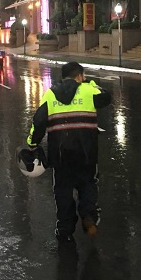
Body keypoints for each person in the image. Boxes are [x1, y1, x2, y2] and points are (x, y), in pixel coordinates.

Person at [26, 62, 112, 243]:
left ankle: (65, 228)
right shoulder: (88, 91)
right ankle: (88, 215)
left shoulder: (50, 94)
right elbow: (106, 97)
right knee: (88, 184)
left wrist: (32, 143)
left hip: (60, 155)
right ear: (79, 76)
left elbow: (39, 121)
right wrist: (92, 85)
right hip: (86, 153)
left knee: (63, 190)